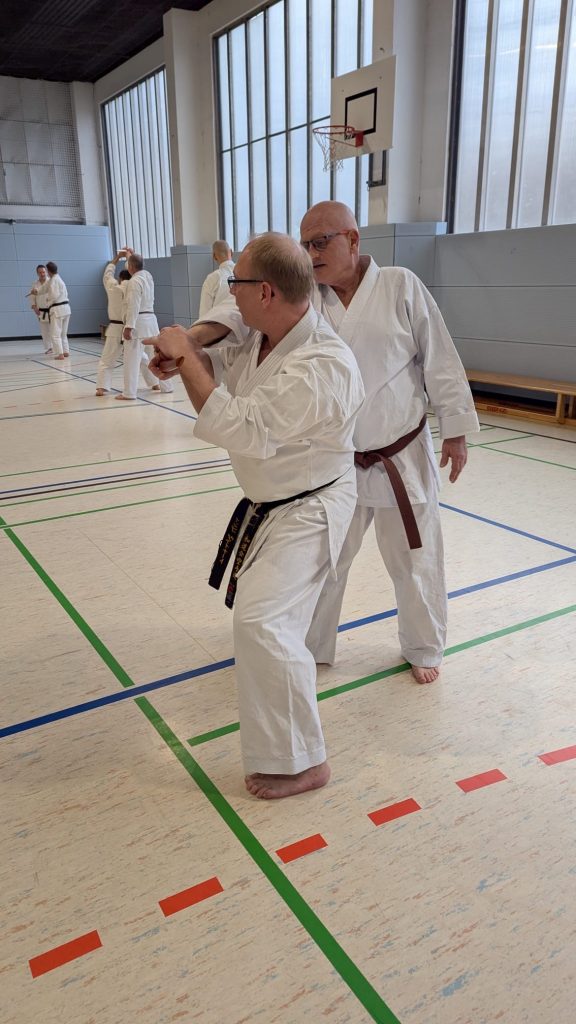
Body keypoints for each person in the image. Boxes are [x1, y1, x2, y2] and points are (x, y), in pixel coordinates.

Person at [146, 232, 364, 799]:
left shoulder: (323, 365)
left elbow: (242, 428)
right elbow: (226, 324)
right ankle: (288, 743)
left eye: (237, 282)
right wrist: (188, 348)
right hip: (275, 502)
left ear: (266, 291)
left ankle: (304, 762)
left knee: (264, 622)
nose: (230, 291)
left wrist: (186, 356)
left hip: (311, 507)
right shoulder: (267, 331)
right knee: (267, 624)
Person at [299, 201, 480, 684]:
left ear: (353, 240)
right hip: (335, 460)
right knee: (325, 558)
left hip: (401, 454)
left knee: (416, 558)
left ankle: (424, 645)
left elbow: (440, 356)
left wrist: (456, 428)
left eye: (321, 242)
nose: (312, 253)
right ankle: (311, 645)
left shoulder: (401, 285)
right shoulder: (309, 298)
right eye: (306, 244)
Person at [116, 252, 173, 400]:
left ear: (130, 267)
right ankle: (167, 386)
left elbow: (133, 305)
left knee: (131, 360)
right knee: (158, 356)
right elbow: (135, 264)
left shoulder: (134, 282)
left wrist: (129, 326)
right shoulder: (148, 277)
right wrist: (129, 256)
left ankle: (129, 393)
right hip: (151, 322)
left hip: (138, 323)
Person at [95, 250, 131, 396]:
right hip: (131, 327)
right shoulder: (135, 287)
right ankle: (154, 383)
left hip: (115, 328)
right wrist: (129, 257)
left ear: (120, 278)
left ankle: (101, 388)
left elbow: (107, 274)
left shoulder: (113, 287)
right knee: (141, 358)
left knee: (107, 359)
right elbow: (137, 271)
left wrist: (118, 257)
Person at [33, 261, 71, 360]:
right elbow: (44, 288)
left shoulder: (54, 280)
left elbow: (54, 295)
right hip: (66, 309)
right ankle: (66, 351)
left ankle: (60, 354)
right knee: (63, 333)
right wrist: (36, 291)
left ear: (48, 271)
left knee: (55, 334)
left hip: (57, 310)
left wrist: (48, 300)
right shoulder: (57, 279)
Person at [198, 240, 235, 318]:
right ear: (231, 252)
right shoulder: (244, 273)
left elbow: (204, 314)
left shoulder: (213, 278)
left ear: (214, 256)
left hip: (220, 323)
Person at [28, 264, 52, 354]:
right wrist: (34, 307)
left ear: (46, 272)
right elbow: (32, 297)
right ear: (37, 273)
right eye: (40, 272)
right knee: (44, 330)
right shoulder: (35, 284)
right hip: (41, 310)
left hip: (52, 309)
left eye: (43, 272)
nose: (42, 274)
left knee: (54, 329)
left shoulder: (51, 282)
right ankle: (49, 348)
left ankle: (57, 348)